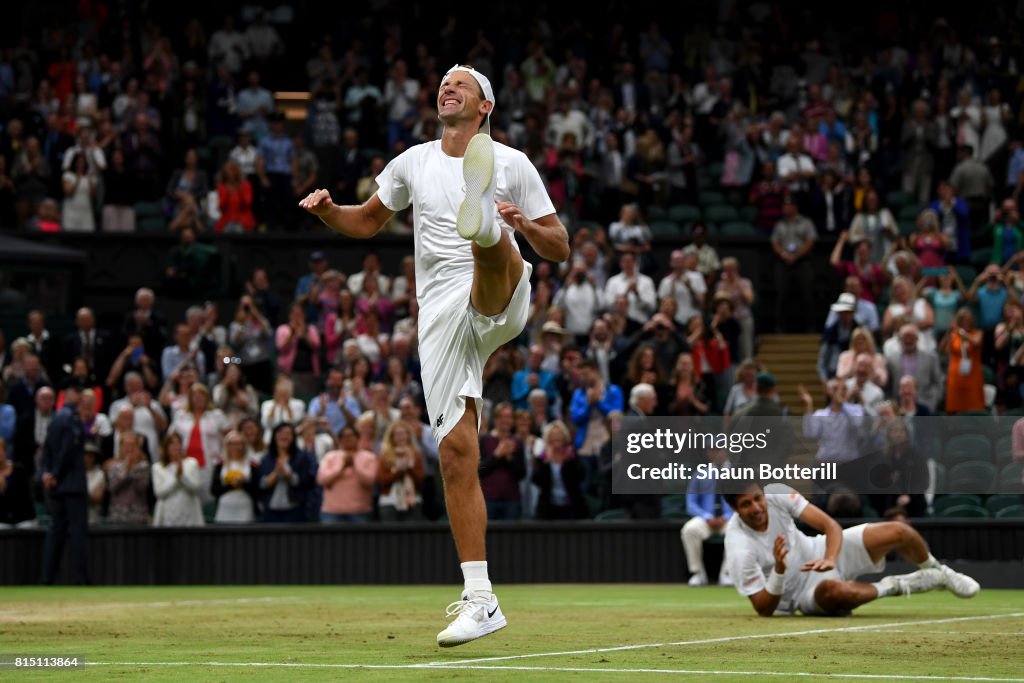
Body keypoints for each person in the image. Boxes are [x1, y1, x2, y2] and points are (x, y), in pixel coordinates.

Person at [300, 63, 568, 646]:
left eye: (461, 85)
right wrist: (327, 212)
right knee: (454, 451)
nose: (447, 88)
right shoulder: (412, 162)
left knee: (491, 255)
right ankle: (481, 600)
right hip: (440, 319)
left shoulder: (513, 163)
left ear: (485, 107)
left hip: (503, 288)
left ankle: (489, 234)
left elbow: (560, 245)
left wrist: (521, 223)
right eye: (443, 83)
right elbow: (366, 221)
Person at [722, 480, 979, 617]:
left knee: (900, 531)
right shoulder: (737, 544)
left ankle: (938, 571)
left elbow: (830, 526)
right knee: (836, 592)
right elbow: (762, 609)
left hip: (821, 550)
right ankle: (899, 584)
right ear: (734, 508)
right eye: (746, 504)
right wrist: (778, 571)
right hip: (802, 595)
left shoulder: (776, 492)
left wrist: (831, 558)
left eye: (758, 499)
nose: (756, 508)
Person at [40, 385, 90, 584]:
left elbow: (48, 449)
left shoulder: (55, 418)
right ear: (69, 393)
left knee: (55, 532)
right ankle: (81, 579)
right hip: (72, 485)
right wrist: (56, 473)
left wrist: (48, 473)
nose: (80, 396)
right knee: (77, 531)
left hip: (57, 486)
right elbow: (68, 450)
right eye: (77, 391)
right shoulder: (72, 418)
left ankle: (47, 578)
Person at [681, 447, 734, 587]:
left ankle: (727, 573)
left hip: (729, 519)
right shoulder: (699, 474)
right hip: (706, 519)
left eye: (720, 449)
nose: (716, 453)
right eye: (713, 450)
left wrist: (728, 516)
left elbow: (744, 501)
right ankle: (697, 573)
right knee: (689, 529)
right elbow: (691, 503)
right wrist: (706, 516)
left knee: (737, 530)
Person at [257, 422, 318, 523]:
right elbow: (261, 484)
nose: (284, 436)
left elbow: (306, 482)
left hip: (295, 509)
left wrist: (288, 475)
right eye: (280, 432)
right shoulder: (266, 458)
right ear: (274, 436)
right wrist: (276, 473)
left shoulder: (301, 457)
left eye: (288, 433)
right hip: (270, 509)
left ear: (293, 437)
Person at [317, 425, 377, 523]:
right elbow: (322, 480)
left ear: (358, 438)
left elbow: (370, 482)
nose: (348, 439)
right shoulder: (330, 457)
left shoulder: (369, 457)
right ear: (340, 439)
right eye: (344, 436)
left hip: (360, 511)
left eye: (351, 436)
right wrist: (341, 468)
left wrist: (354, 466)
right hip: (332, 512)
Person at [531, 421, 588, 520]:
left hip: (571, 507)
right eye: (553, 435)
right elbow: (536, 480)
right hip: (548, 508)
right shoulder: (542, 458)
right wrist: (546, 462)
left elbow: (580, 477)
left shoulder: (572, 455)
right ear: (547, 438)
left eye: (559, 434)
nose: (556, 437)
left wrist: (569, 462)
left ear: (565, 437)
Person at [152, 432, 204, 527]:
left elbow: (195, 488)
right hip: (168, 514)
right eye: (172, 444)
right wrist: (177, 478)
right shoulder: (158, 467)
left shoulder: (191, 463)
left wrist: (182, 476)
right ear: (166, 447)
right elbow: (160, 493)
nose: (175, 447)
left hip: (189, 513)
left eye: (178, 443)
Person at [377, 420, 426, 521]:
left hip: (413, 501)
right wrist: (400, 471)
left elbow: (421, 480)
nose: (400, 437)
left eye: (403, 433)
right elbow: (382, 480)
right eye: (397, 434)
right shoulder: (385, 456)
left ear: (408, 436)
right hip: (390, 501)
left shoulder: (416, 455)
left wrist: (408, 469)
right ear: (392, 437)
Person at [941, 308, 985, 414]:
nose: (966, 322)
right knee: (954, 408)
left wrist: (960, 331)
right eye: (964, 320)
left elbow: (976, 342)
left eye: (968, 320)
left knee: (974, 407)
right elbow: (942, 349)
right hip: (956, 377)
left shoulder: (977, 333)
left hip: (972, 376)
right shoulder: (954, 335)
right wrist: (949, 332)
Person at [210, 431, 260, 523]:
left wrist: (243, 484)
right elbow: (214, 490)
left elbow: (257, 490)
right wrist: (231, 485)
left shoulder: (252, 465)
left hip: (245, 508)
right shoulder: (220, 465)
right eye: (232, 444)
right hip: (225, 508)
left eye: (239, 444)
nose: (235, 447)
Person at [0, 437, 36, 528]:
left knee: (26, 527)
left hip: (22, 518)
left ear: (5, 451)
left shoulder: (18, 470)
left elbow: (25, 498)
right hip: (3, 520)